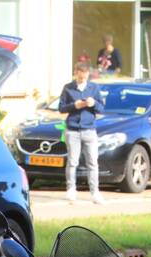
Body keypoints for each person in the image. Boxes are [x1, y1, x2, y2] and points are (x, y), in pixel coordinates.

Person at [59, 61, 105, 205]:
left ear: (88, 74)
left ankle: (95, 192)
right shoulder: (68, 88)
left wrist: (93, 103)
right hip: (72, 129)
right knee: (72, 161)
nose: (82, 79)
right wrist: (74, 105)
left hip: (89, 129)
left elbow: (101, 108)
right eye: (80, 76)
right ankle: (71, 189)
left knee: (93, 162)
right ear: (76, 73)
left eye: (84, 76)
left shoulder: (94, 88)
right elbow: (61, 108)